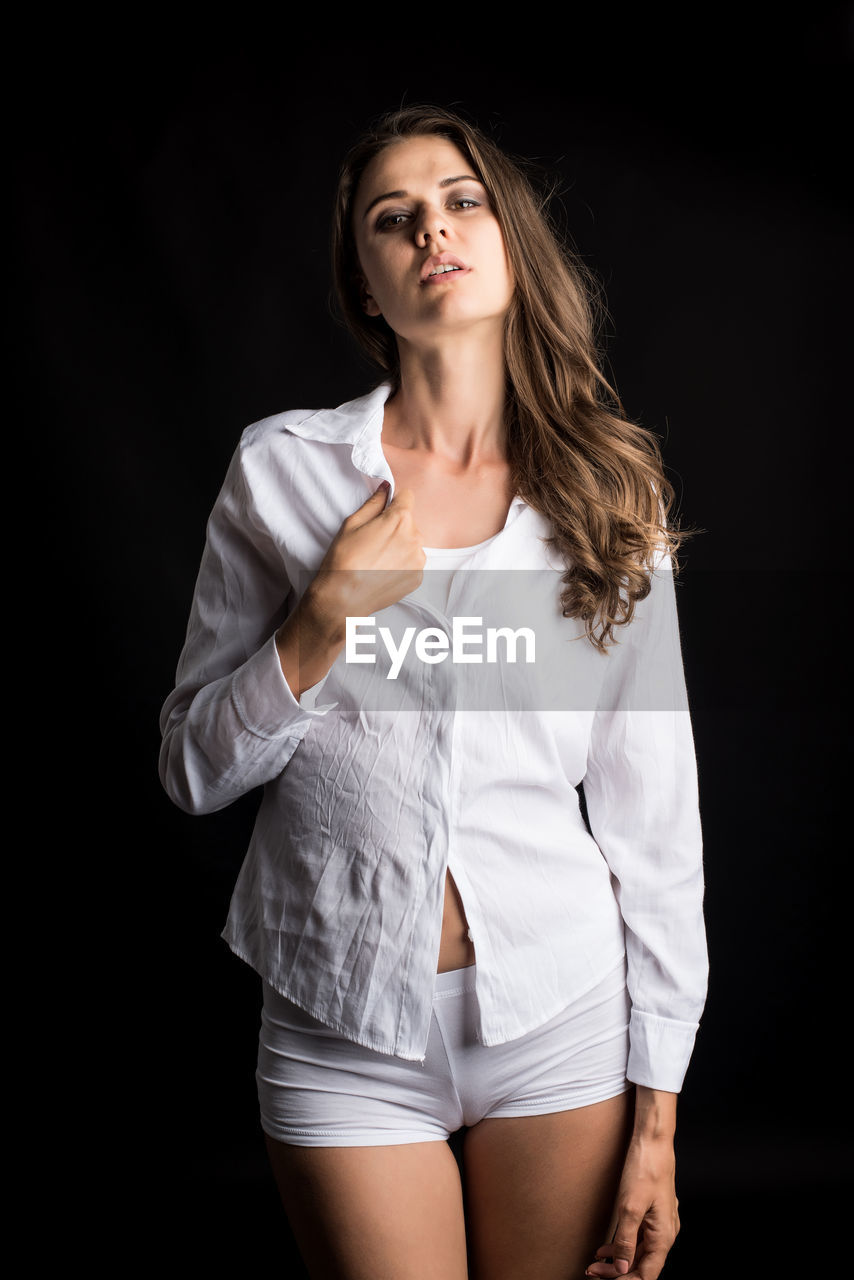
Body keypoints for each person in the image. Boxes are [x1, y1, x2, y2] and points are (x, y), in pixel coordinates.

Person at [159, 105, 708, 1280]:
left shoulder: (609, 498)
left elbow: (652, 823)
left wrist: (656, 1120)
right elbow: (194, 767)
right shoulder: (282, 475)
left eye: (461, 201)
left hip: (558, 1018)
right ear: (364, 282)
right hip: (338, 1021)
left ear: (509, 242)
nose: (433, 231)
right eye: (391, 218)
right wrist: (319, 617)